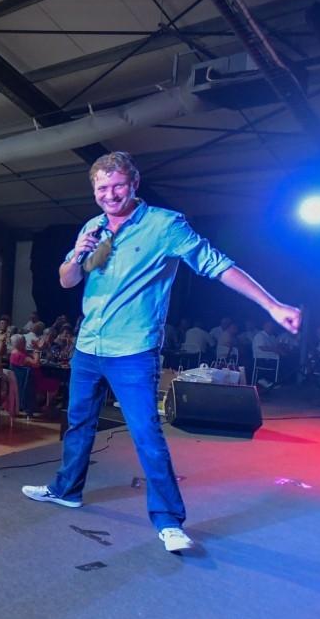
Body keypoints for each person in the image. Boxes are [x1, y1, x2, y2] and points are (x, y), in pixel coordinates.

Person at [21, 152, 301, 552]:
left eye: (117, 185)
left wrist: (271, 304)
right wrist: (79, 254)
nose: (110, 194)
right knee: (78, 423)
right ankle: (68, 489)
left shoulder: (164, 225)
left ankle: (168, 521)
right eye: (101, 188)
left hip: (134, 350)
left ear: (133, 183)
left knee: (146, 435)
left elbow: (216, 265)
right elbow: (67, 281)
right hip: (88, 347)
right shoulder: (92, 227)